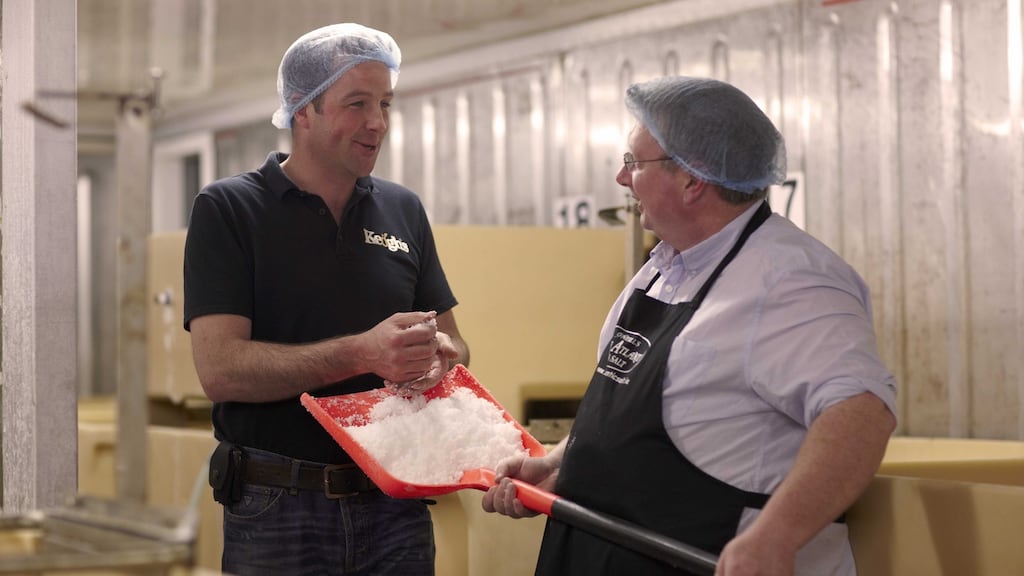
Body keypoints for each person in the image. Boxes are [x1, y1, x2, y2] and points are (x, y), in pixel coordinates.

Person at [482, 76, 897, 576]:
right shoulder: (662, 269)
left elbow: (862, 413)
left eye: (634, 162)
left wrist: (775, 538)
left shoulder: (791, 280)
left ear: (692, 179)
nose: (620, 177)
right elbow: (639, 415)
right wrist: (557, 465)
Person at [183, 23, 469, 576]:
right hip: (278, 506)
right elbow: (220, 371)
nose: (377, 123)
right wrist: (362, 353)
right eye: (356, 103)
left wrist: (439, 357)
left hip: (396, 500)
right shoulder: (230, 210)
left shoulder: (403, 209)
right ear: (301, 110)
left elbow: (454, 340)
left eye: (385, 103)